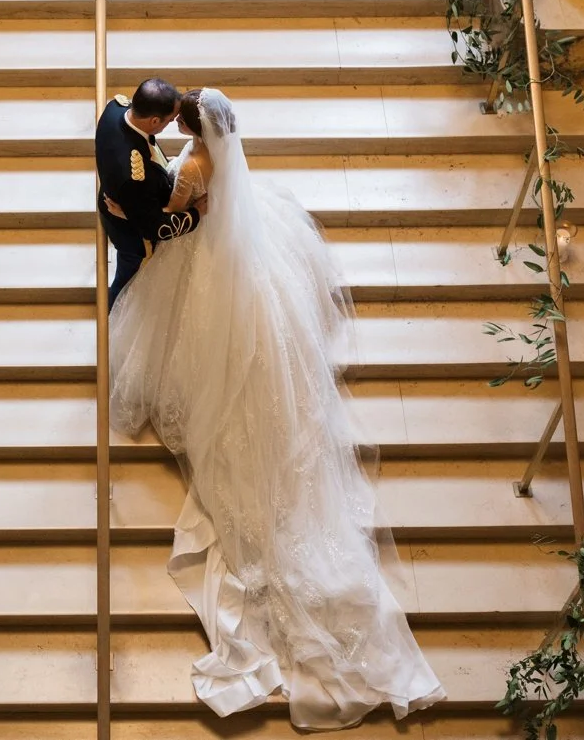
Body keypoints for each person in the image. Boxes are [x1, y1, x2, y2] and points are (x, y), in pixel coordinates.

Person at [108, 87, 443, 729]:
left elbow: (173, 208)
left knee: (215, 382)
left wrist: (136, 198)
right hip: (245, 243)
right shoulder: (221, 151)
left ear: (194, 128)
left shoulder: (198, 166)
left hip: (204, 249)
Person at [94, 76, 199, 309]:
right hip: (133, 237)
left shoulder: (115, 108)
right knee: (127, 282)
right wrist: (196, 215)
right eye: (171, 120)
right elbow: (154, 227)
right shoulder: (135, 177)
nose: (174, 121)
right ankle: (113, 315)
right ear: (154, 121)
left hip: (123, 198)